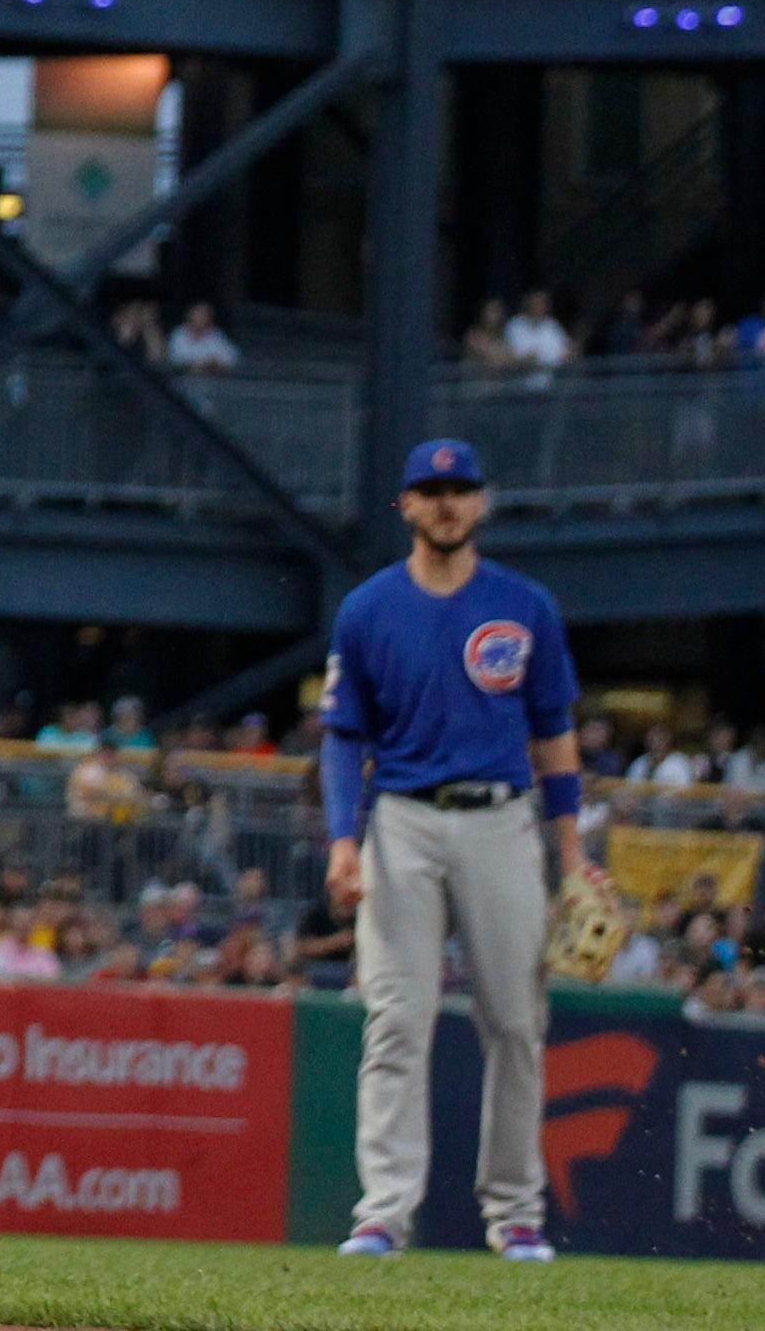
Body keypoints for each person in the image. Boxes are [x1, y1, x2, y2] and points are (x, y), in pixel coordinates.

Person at [323, 437, 581, 1263]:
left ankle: (516, 1216)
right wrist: (341, 838)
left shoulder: (525, 604)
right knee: (398, 1020)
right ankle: (382, 1215)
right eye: (431, 490)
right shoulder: (367, 607)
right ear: (405, 505)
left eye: (460, 488)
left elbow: (555, 735)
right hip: (401, 818)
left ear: (481, 503)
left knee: (515, 1021)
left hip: (502, 820)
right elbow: (342, 736)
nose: (446, 502)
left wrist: (572, 858)